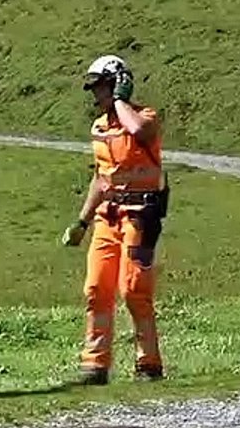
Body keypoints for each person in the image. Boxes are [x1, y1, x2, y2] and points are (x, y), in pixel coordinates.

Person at [62, 55, 169, 385]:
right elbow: (100, 178)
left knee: (134, 288)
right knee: (96, 288)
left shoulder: (146, 117)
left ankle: (148, 363)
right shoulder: (99, 128)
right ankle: (95, 365)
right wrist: (81, 221)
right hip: (106, 218)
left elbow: (137, 130)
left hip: (140, 216)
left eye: (101, 87)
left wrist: (122, 99)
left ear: (119, 83)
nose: (96, 95)